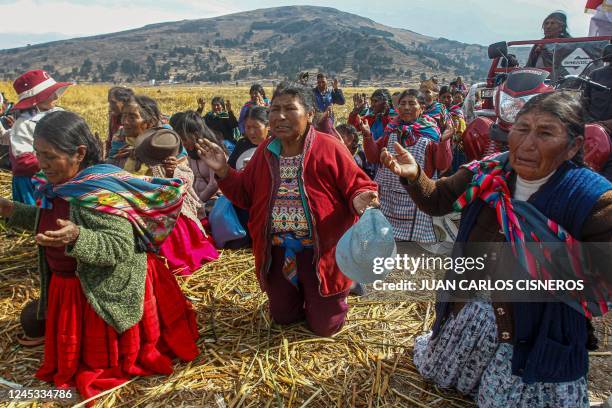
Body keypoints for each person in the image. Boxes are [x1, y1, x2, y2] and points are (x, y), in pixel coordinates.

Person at [381, 91, 611, 407]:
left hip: (534, 329)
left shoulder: (591, 198)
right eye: (522, 128)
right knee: (449, 377)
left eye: (545, 133)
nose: (527, 143)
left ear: (573, 146)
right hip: (474, 307)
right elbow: (438, 200)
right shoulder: (488, 172)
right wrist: (415, 177)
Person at [0, 111, 199, 403]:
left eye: (49, 156)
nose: (41, 164)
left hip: (100, 287)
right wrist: (9, 210)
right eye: (38, 154)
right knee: (33, 319)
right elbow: (46, 217)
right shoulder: (61, 185)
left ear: (79, 153)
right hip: (71, 286)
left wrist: (77, 236)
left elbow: (118, 246)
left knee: (98, 365)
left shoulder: (97, 191)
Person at [196, 82, 378, 337]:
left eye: (290, 109)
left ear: (310, 114)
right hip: (279, 251)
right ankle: (301, 297)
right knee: (283, 318)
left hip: (321, 251)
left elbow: (358, 183)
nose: (279, 116)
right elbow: (244, 194)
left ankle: (337, 294)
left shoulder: (328, 147)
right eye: (274, 109)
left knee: (325, 327)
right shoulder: (265, 152)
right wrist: (224, 170)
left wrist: (359, 198)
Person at [134, 127, 219, 275]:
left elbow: (184, 184)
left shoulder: (179, 166)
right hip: (148, 212)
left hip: (173, 215)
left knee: (177, 240)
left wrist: (170, 173)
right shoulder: (137, 165)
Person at [362, 89, 445, 242]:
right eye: (403, 104)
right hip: (389, 195)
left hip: (415, 196)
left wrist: (445, 142)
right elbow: (373, 157)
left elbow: (442, 163)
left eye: (412, 103)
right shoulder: (390, 130)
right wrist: (367, 136)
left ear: (422, 107)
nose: (406, 108)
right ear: (397, 107)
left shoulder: (431, 133)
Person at [9, 70, 72, 205]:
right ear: (37, 99)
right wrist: (55, 164)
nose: (55, 96)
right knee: (33, 217)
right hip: (31, 180)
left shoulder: (57, 114)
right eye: (50, 93)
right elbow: (23, 161)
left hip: (55, 174)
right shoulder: (23, 124)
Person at [223, 106, 271, 249]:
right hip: (243, 199)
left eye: (256, 127)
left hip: (265, 201)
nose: (251, 132)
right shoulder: (242, 144)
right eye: (247, 127)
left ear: (268, 126)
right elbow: (229, 170)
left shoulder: (276, 146)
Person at [170, 111, 222, 219]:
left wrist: (197, 203)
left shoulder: (212, 151)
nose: (183, 143)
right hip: (199, 203)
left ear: (195, 134)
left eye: (184, 139)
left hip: (214, 203)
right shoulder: (192, 152)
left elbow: (214, 184)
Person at [440, 86, 468, 174]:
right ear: (439, 98)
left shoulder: (457, 112)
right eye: (443, 97)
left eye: (449, 97)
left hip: (455, 149)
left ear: (452, 98)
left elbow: (460, 132)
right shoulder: (435, 112)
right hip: (438, 147)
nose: (446, 100)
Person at [106, 86, 134, 158]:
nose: (110, 106)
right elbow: (110, 139)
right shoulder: (113, 117)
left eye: (113, 102)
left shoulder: (135, 119)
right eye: (109, 103)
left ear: (124, 102)